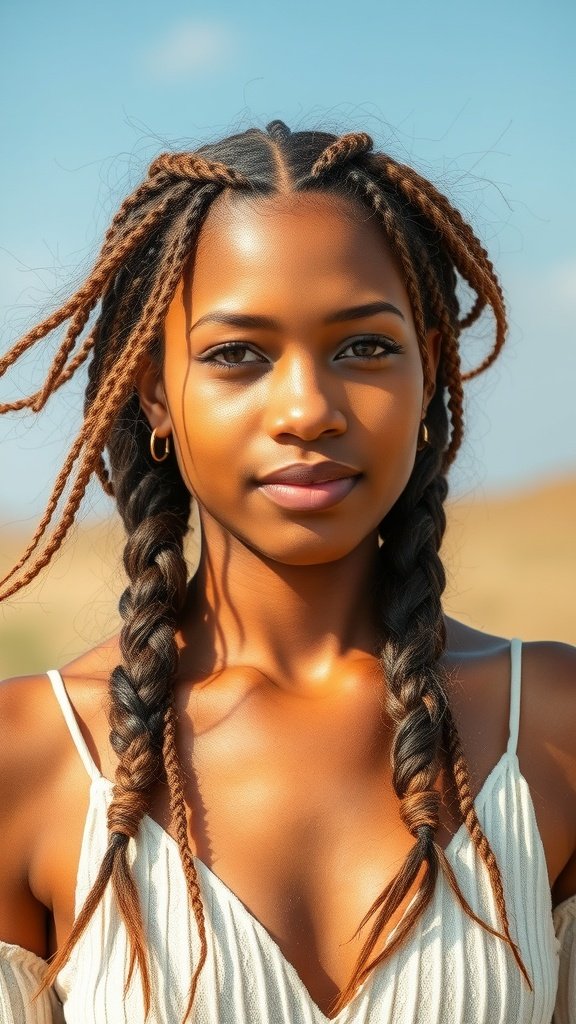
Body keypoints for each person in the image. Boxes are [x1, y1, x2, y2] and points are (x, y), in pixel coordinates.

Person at [0, 120, 574, 1024]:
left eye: (364, 348)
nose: (307, 409)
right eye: (238, 355)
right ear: (154, 387)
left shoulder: (548, 723)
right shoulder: (28, 755)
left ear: (428, 365)